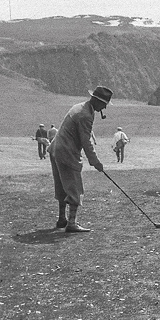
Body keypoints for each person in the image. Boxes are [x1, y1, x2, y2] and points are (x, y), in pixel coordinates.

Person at [49, 86, 112, 233]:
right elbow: (86, 141)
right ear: (97, 101)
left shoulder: (80, 107)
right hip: (66, 152)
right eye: (104, 104)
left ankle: (62, 219)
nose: (105, 107)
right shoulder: (85, 115)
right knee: (74, 187)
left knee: (62, 185)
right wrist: (95, 161)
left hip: (56, 149)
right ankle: (72, 223)